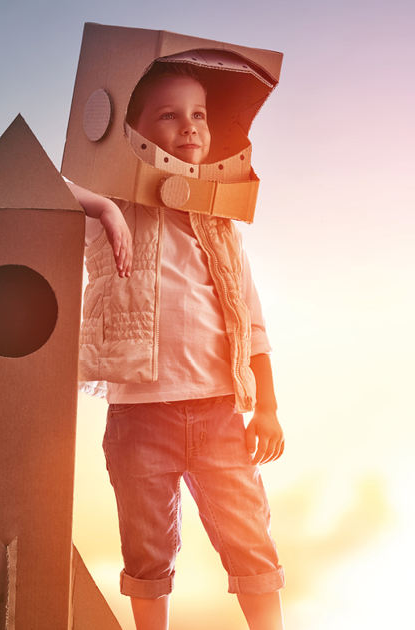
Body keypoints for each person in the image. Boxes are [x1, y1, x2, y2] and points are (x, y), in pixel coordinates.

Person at [67, 64, 285, 630]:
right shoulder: (114, 210)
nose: (189, 127)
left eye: (199, 115)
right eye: (169, 115)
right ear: (132, 132)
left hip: (219, 411)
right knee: (147, 552)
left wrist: (266, 406)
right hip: (141, 416)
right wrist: (103, 207)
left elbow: (252, 323)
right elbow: (38, 182)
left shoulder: (222, 223)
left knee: (251, 543)